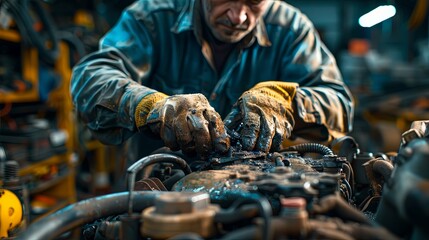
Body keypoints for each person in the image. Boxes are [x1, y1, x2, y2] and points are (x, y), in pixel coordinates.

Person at [71, 0, 354, 162]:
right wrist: (152, 106)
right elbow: (90, 78)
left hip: (263, 190)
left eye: (254, 2)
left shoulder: (291, 29)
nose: (239, 16)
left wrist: (286, 102)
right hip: (160, 191)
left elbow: (340, 103)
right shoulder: (151, 19)